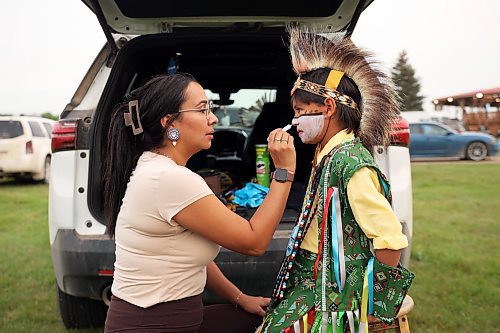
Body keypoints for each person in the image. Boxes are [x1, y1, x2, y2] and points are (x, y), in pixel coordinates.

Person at [102, 73, 296, 333]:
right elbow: (254, 242)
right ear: (169, 123)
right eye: (203, 109)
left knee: (264, 321)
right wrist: (283, 173)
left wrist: (240, 298)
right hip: (152, 325)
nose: (213, 118)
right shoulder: (170, 178)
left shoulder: (157, 168)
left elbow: (192, 256)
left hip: (174, 319)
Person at [257, 27, 415, 333]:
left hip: (334, 294)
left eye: (301, 111)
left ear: (328, 108)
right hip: (313, 280)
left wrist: (373, 308)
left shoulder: (351, 164)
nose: (295, 121)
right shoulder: (327, 155)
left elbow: (390, 240)